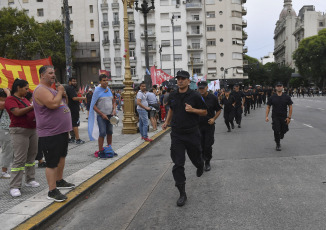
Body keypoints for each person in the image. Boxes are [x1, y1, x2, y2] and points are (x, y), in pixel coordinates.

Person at [162, 70, 207, 207]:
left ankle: (200, 164)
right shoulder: (173, 95)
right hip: (177, 134)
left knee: (196, 157)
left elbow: (204, 112)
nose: (180, 81)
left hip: (192, 133)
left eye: (183, 78)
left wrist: (193, 110)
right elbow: (171, 110)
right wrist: (166, 122)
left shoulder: (195, 96)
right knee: (178, 164)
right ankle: (182, 193)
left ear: (188, 81)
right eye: (179, 78)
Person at [33, 66, 75, 202]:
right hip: (51, 132)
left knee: (62, 156)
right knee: (52, 162)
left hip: (62, 131)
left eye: (53, 73)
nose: (53, 76)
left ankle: (59, 180)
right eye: (50, 73)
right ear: (42, 75)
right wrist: (60, 91)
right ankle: (52, 190)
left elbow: (63, 104)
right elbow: (52, 104)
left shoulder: (52, 89)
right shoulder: (40, 90)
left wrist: (63, 95)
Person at [5, 79, 39, 197]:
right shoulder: (10, 100)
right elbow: (17, 113)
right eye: (25, 88)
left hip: (32, 130)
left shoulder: (24, 99)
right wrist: (32, 107)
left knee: (31, 156)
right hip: (19, 131)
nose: (27, 90)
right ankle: (14, 186)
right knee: (19, 158)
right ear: (18, 87)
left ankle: (30, 180)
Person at [88, 74, 117, 153]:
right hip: (101, 116)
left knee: (110, 132)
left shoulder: (109, 89)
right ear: (100, 82)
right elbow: (93, 106)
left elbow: (113, 101)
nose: (105, 82)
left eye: (106, 80)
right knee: (102, 132)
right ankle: (100, 150)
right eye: (103, 80)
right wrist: (102, 114)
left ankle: (109, 147)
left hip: (110, 115)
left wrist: (114, 109)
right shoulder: (97, 91)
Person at [197, 81, 222, 171]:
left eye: (203, 88)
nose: (201, 90)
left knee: (208, 145)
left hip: (209, 125)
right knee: (199, 145)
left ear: (207, 88)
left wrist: (213, 119)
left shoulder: (213, 98)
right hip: (198, 126)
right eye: (200, 88)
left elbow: (219, 110)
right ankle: (201, 160)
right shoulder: (195, 98)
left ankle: (207, 161)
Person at [265, 82, 293, 151]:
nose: (279, 87)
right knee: (276, 130)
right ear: (276, 87)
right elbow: (268, 107)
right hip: (275, 116)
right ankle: (278, 144)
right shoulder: (272, 97)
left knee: (284, 129)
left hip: (284, 116)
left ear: (282, 87)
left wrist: (289, 117)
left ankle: (282, 134)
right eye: (278, 86)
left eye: (280, 86)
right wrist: (266, 116)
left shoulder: (286, 97)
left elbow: (290, 106)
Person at [65, 77, 86, 144]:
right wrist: (83, 98)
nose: (75, 82)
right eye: (73, 81)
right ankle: (78, 139)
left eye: (75, 81)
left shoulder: (68, 88)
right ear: (69, 82)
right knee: (75, 124)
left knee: (69, 123)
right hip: (73, 109)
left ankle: (69, 138)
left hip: (70, 108)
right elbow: (74, 98)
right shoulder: (70, 88)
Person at [0, 88, 13, 179]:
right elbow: (8, 104)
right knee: (6, 150)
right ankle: (3, 171)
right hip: (3, 128)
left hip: (9, 128)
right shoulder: (2, 103)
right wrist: (8, 93)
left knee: (12, 149)